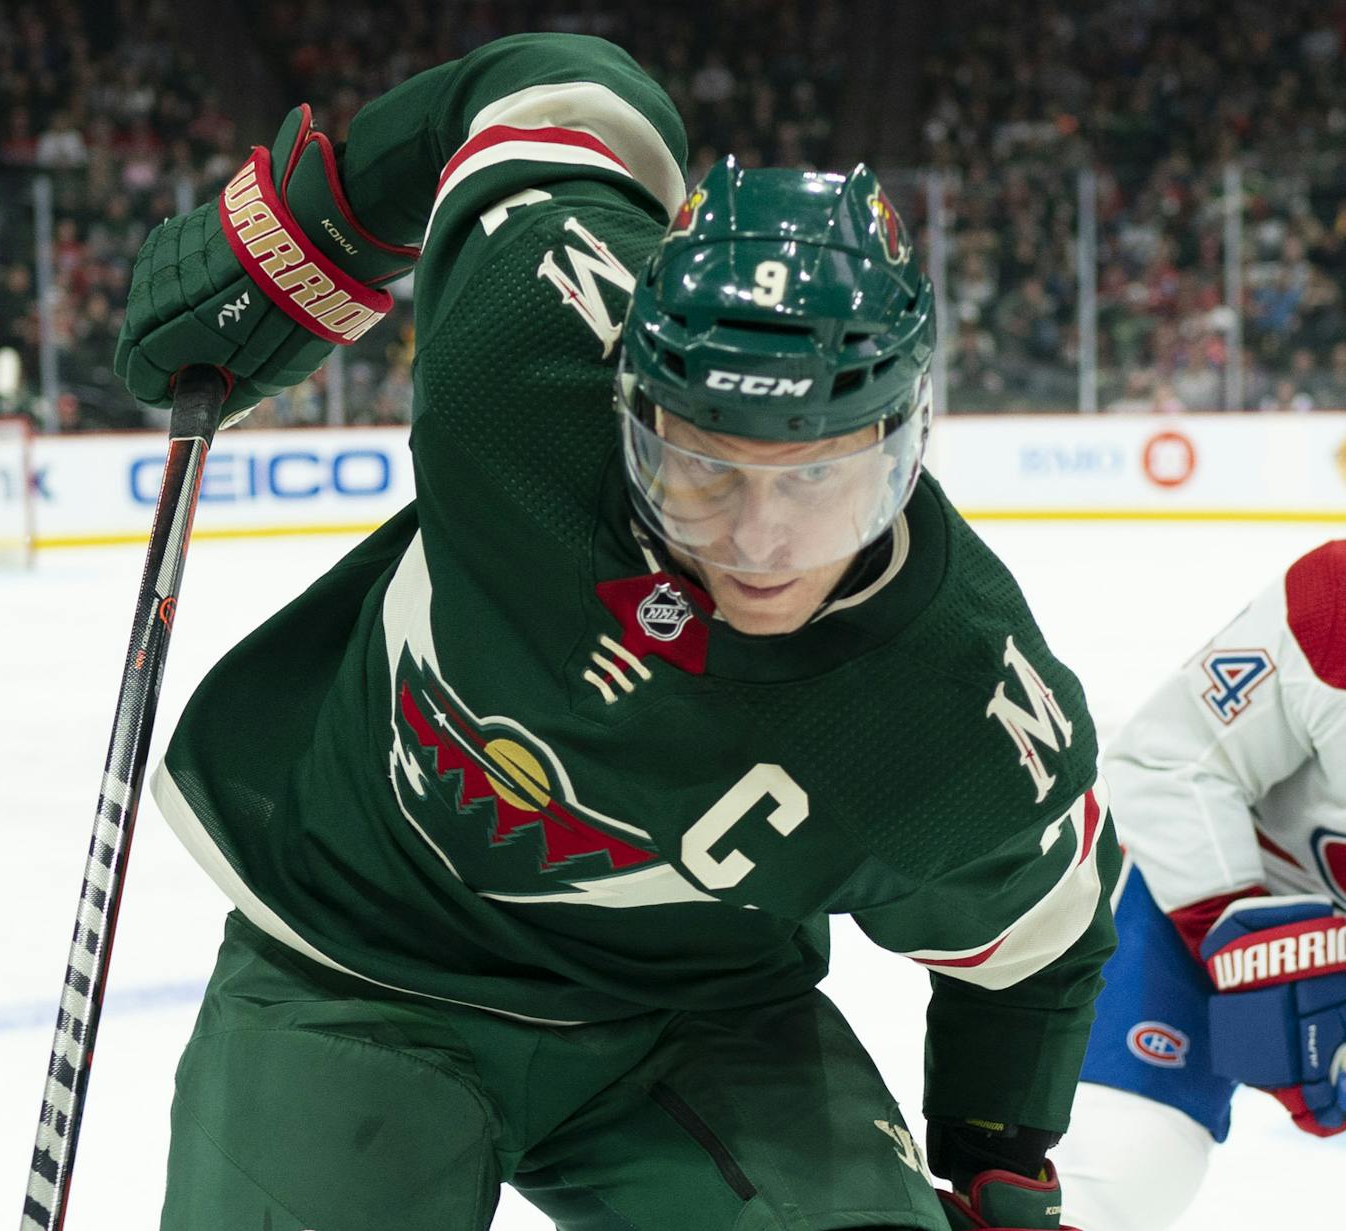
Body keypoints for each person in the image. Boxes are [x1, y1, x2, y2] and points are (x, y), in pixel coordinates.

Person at [114, 33, 1118, 1231]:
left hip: (697, 1022)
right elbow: (560, 83)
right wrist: (314, 227)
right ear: (628, 402)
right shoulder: (523, 338)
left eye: (817, 485)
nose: (754, 542)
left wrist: (998, 1152)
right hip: (353, 954)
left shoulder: (948, 703)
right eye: (701, 469)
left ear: (905, 452)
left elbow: (1036, 939)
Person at [1056, 542, 1346, 1230]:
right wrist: (1245, 947)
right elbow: (1170, 760)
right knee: (1120, 1164)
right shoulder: (1335, 601)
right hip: (1202, 894)